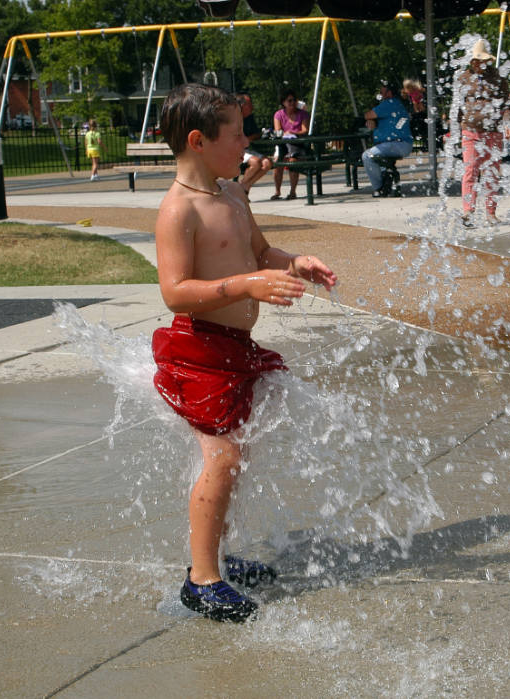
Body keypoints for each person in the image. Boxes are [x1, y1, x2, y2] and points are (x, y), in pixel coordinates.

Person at [153, 83, 337, 622]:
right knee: (224, 457)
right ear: (199, 141)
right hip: (199, 350)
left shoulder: (232, 193)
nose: (247, 142)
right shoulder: (178, 210)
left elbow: (260, 251)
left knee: (236, 456)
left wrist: (293, 261)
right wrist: (247, 284)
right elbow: (175, 291)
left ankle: (215, 554)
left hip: (234, 347)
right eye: (236, 134)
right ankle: (202, 580)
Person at [455, 39, 510, 224]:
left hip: (493, 132)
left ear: (487, 61)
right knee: (470, 170)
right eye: (474, 61)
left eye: (480, 61)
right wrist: (455, 129)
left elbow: (506, 104)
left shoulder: (497, 78)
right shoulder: (463, 78)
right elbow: (457, 107)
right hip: (470, 131)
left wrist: (507, 123)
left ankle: (490, 213)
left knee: (491, 172)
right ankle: (468, 212)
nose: (477, 64)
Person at [362, 81, 413, 198]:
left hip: (398, 144)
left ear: (389, 93)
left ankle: (380, 188)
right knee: (376, 157)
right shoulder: (395, 104)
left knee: (367, 156)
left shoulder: (389, 103)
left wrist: (371, 118)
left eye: (382, 92)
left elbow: (368, 114)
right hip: (399, 144)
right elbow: (375, 117)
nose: (380, 95)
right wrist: (374, 121)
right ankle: (386, 177)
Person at [271, 89, 310, 201]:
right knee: (278, 161)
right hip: (283, 144)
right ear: (283, 102)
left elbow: (305, 130)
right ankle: (277, 191)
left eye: (294, 100)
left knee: (293, 161)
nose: (292, 103)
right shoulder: (278, 114)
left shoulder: (303, 114)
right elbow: (278, 130)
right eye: (289, 100)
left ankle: (293, 191)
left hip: (298, 144)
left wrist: (294, 133)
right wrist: (285, 134)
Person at [235, 92, 272, 194]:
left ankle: (244, 185)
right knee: (256, 163)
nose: (253, 107)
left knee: (267, 163)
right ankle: (242, 187)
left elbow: (257, 134)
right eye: (250, 105)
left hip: (246, 149)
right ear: (242, 107)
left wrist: (245, 138)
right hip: (236, 150)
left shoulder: (250, 118)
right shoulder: (233, 119)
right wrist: (244, 139)